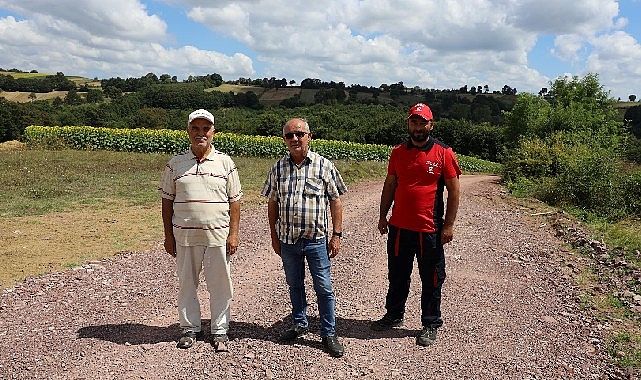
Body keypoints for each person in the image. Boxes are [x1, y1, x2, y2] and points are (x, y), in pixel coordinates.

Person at [371, 103, 461, 347]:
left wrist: (449, 226)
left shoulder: (444, 153)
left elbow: (454, 192)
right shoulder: (398, 152)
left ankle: (430, 323)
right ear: (408, 124)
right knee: (397, 275)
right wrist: (383, 216)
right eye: (414, 122)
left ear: (431, 124)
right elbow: (390, 185)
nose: (418, 127)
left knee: (431, 278)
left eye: (423, 122)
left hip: (429, 229)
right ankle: (394, 315)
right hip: (400, 227)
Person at [260, 118, 348, 358]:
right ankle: (300, 324)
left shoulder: (324, 166)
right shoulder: (278, 168)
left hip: (316, 240)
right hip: (288, 240)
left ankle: (328, 333)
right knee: (295, 284)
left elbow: (335, 201)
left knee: (324, 288)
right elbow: (273, 203)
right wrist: (273, 235)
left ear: (309, 136)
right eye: (290, 136)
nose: (295, 139)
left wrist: (336, 235)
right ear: (284, 140)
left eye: (299, 134)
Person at [159, 108, 242, 352]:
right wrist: (168, 236)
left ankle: (220, 329)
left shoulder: (225, 162)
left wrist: (234, 233)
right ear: (188, 131)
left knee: (220, 284)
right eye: (195, 128)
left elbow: (235, 201)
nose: (200, 133)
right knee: (186, 283)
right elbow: (166, 200)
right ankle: (190, 328)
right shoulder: (176, 164)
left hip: (218, 235)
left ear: (213, 132)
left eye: (205, 128)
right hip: (184, 236)